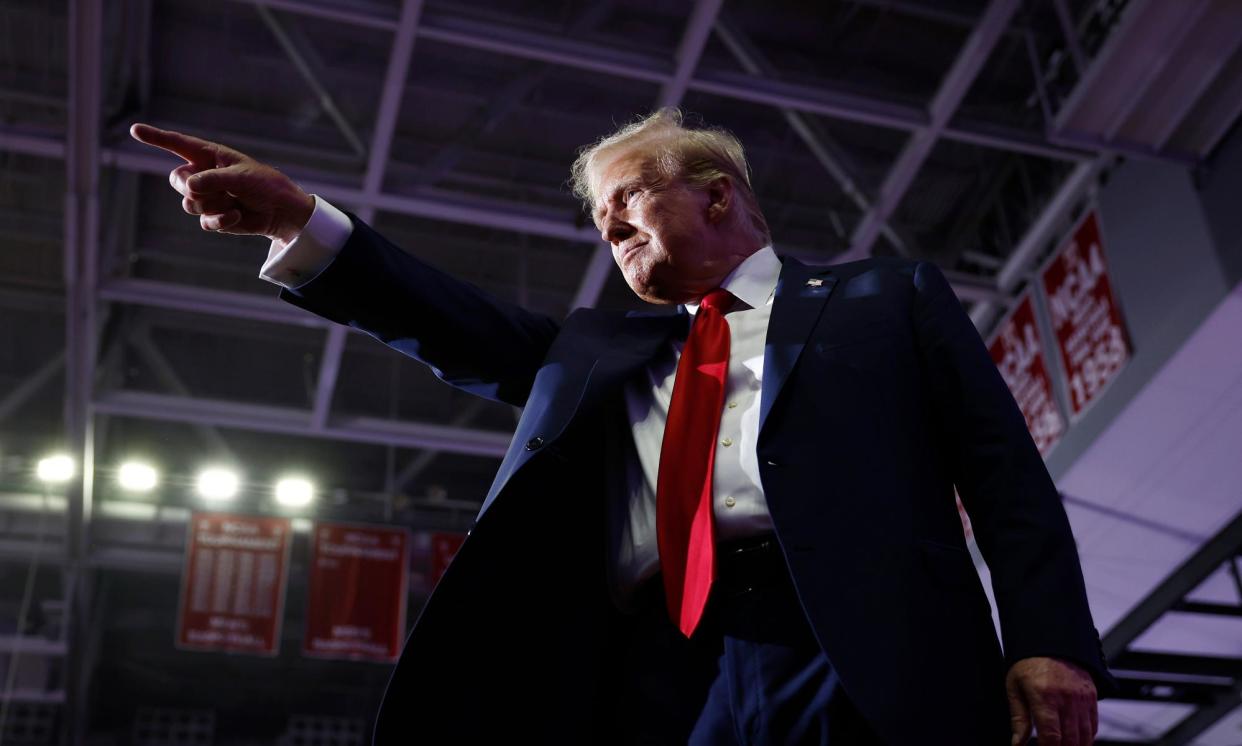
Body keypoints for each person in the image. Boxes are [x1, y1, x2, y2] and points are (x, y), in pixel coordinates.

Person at [131, 109, 1115, 745]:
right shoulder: (601, 350)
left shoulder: (884, 298)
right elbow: (445, 318)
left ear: (717, 192)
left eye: (626, 201)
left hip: (862, 646)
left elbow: (1004, 470)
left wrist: (1051, 641)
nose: (608, 229)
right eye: (599, 221)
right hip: (658, 669)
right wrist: (299, 219)